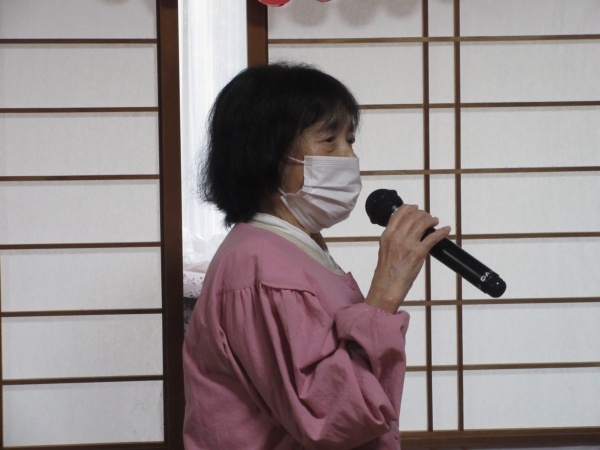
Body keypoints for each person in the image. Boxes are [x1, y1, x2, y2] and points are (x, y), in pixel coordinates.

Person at [183, 63, 451, 449]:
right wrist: (386, 289)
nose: (348, 156)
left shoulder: (292, 247)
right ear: (266, 153)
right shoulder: (260, 266)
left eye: (350, 140)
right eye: (329, 140)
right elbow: (329, 418)